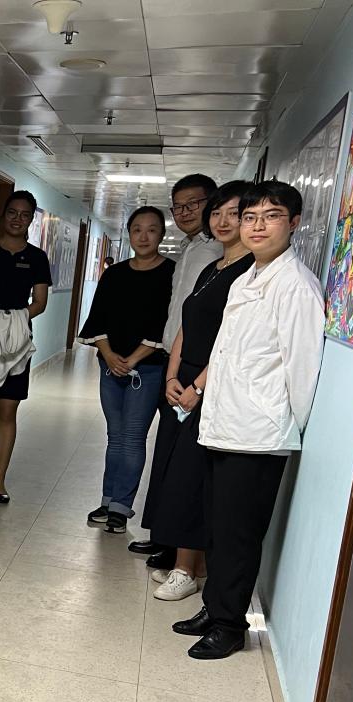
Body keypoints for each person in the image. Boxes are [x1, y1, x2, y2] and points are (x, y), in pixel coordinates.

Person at [174, 180, 324, 660]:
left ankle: (229, 625)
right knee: (217, 526)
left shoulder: (296, 286)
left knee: (238, 534)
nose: (257, 226)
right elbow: (223, 351)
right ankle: (214, 606)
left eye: (271, 216)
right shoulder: (246, 278)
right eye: (250, 217)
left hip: (258, 434)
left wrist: (286, 425)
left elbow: (302, 369)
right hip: (223, 423)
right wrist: (202, 393)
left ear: (293, 223)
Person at [141, 181, 253, 601]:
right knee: (176, 471)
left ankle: (187, 570)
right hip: (184, 378)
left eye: (234, 214)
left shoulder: (249, 274)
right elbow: (186, 326)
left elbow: (230, 340)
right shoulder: (214, 268)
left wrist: (197, 387)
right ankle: (190, 563)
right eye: (217, 213)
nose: (223, 221)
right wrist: (172, 376)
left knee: (191, 476)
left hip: (211, 384)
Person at [129, 173, 220, 562]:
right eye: (178, 206)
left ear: (211, 204)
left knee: (182, 460)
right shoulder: (189, 249)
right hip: (174, 363)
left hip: (194, 369)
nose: (184, 212)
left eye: (193, 204)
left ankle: (174, 544)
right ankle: (162, 534)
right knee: (165, 451)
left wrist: (190, 378)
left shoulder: (217, 252)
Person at [77, 206, 176, 534]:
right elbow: (98, 318)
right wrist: (109, 355)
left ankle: (121, 507)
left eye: (152, 230)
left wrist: (132, 360)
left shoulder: (171, 274)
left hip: (146, 370)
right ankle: (107, 500)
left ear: (161, 234)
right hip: (110, 367)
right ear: (129, 233)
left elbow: (167, 325)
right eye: (137, 230)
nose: (144, 236)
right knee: (115, 436)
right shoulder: (115, 274)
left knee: (133, 438)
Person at [0, 190, 51, 503]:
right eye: (12, 212)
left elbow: (39, 302)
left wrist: (10, 323)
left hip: (17, 343)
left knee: (7, 408)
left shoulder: (37, 258)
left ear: (31, 220)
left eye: (25, 214)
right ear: (3, 215)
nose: (18, 219)